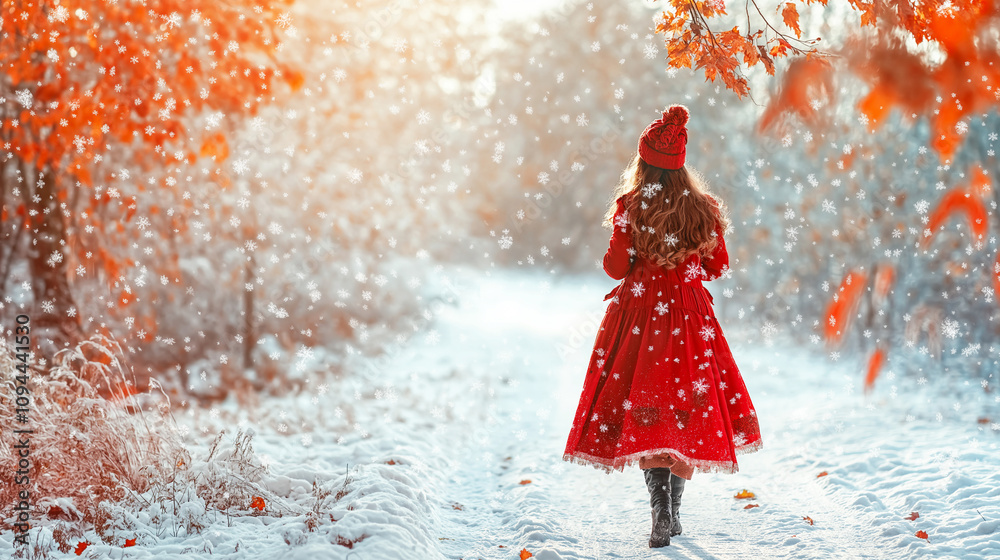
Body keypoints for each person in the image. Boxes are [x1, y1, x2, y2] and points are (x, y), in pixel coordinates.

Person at [562, 104, 763, 548]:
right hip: (690, 319)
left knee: (648, 404)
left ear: (643, 160)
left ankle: (657, 507)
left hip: (639, 315)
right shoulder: (703, 207)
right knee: (689, 406)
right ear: (681, 164)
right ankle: (673, 508)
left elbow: (615, 269)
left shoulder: (630, 206)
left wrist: (630, 250)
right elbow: (717, 266)